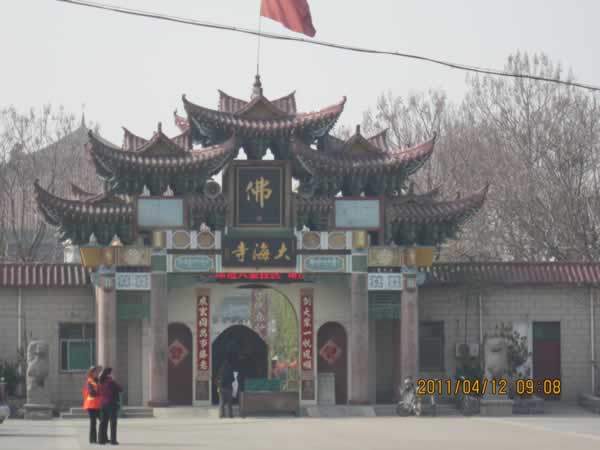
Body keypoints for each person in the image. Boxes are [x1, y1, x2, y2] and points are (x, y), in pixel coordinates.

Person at [97, 367, 122, 445]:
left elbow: (97, 391)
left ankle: (101, 439)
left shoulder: (100, 381)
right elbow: (120, 388)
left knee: (103, 422)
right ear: (109, 374)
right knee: (113, 422)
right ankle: (113, 440)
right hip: (111, 403)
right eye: (112, 372)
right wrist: (114, 380)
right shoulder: (111, 382)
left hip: (102, 403)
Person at [82, 365, 102, 444]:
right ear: (91, 373)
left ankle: (101, 438)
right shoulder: (89, 381)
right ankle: (92, 439)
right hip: (91, 405)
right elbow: (91, 392)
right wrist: (100, 393)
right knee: (93, 423)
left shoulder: (98, 380)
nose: (97, 373)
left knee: (102, 421)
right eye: (95, 372)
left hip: (98, 405)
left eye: (97, 372)